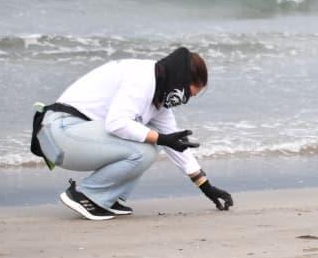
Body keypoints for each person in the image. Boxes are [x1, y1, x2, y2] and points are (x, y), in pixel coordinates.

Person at [33, 46, 233, 220]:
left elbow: (175, 143)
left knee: (151, 140)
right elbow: (116, 123)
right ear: (179, 80)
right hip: (61, 134)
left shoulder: (159, 97)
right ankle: (85, 195)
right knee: (146, 146)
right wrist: (162, 138)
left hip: (73, 136)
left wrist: (206, 187)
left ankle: (108, 197)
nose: (184, 101)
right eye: (187, 94)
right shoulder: (143, 79)